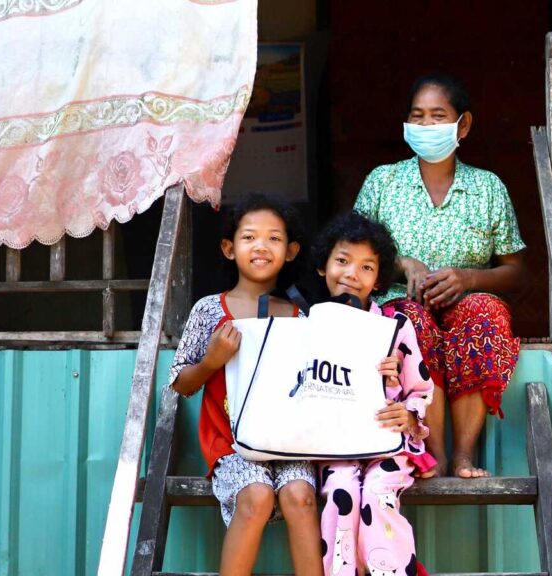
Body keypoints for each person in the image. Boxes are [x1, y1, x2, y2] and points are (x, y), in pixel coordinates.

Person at [354, 73, 526, 479]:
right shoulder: (383, 182)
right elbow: (349, 253)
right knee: (408, 322)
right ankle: (435, 454)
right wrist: (400, 264)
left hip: (466, 305)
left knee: (483, 314)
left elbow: (517, 275)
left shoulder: (488, 188)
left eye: (437, 116)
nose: (426, 126)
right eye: (417, 117)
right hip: (402, 303)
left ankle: (464, 454)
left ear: (462, 125)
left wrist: (468, 279)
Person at [169, 195, 323, 576]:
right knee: (255, 495)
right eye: (249, 237)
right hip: (231, 444)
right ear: (228, 248)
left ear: (290, 251)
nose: (260, 246)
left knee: (301, 497)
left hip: (287, 443)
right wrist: (212, 361)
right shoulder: (209, 309)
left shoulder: (299, 315)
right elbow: (180, 384)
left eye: (274, 239)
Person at [307, 212, 435, 576]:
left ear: (379, 279)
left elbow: (422, 388)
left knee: (379, 494)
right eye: (342, 261)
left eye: (366, 267)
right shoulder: (307, 326)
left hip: (387, 445)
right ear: (323, 267)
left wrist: (410, 416)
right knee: (341, 493)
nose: (351, 274)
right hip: (335, 448)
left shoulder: (395, 327)